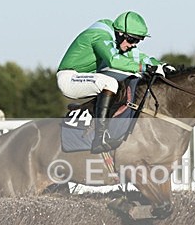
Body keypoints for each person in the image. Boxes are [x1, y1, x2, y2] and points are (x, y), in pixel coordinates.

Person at [57, 11, 173, 153]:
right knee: (110, 83)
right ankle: (99, 138)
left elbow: (138, 57)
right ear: (120, 33)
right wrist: (146, 67)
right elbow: (113, 60)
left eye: (137, 41)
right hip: (70, 78)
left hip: (89, 75)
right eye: (132, 40)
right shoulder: (100, 36)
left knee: (134, 75)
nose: (133, 45)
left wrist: (161, 65)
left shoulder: (116, 38)